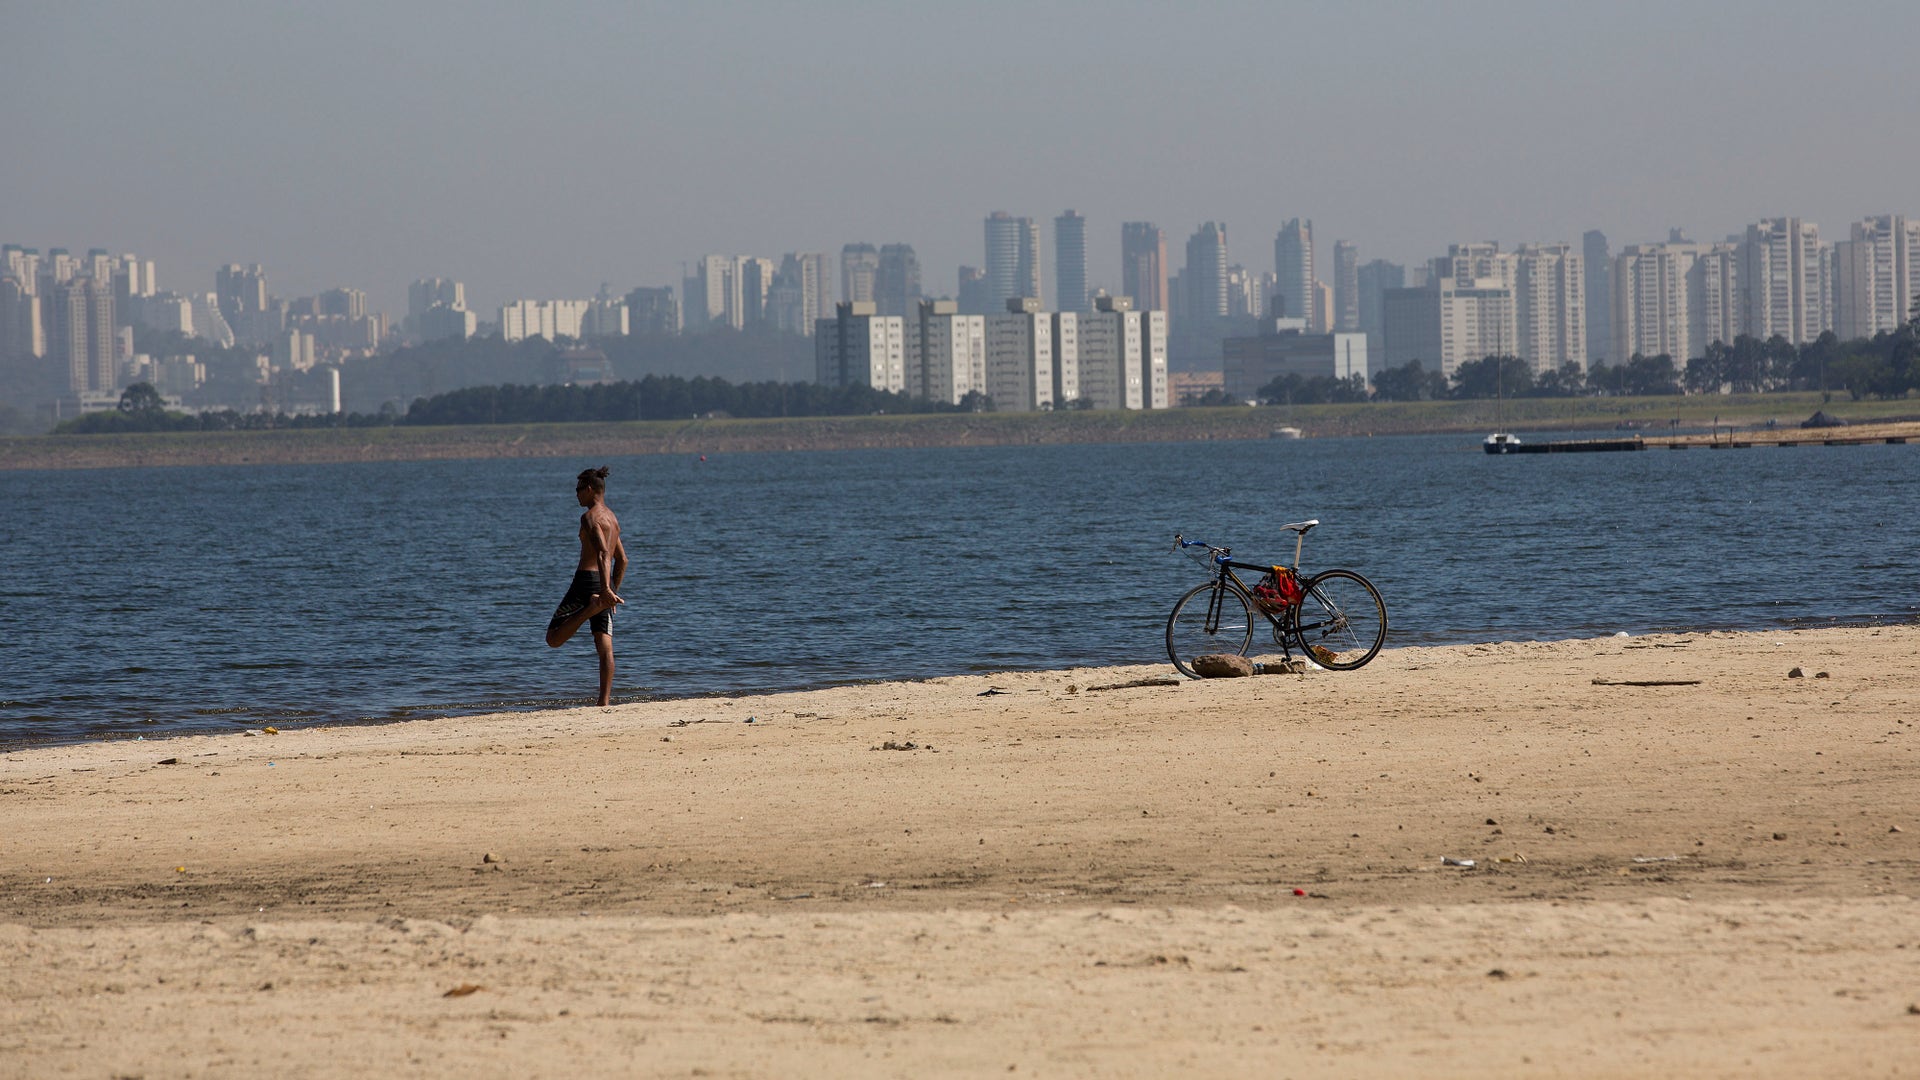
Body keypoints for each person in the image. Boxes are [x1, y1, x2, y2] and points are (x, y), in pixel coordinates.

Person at [545, 465, 627, 706]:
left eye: (579, 489)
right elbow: (622, 559)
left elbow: (603, 553)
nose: (576, 494)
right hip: (605, 584)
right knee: (605, 647)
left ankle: (590, 608)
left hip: (587, 580)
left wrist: (604, 592)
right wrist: (612, 591)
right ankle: (604, 702)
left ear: (590, 490)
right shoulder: (613, 518)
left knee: (553, 638)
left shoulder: (590, 517)